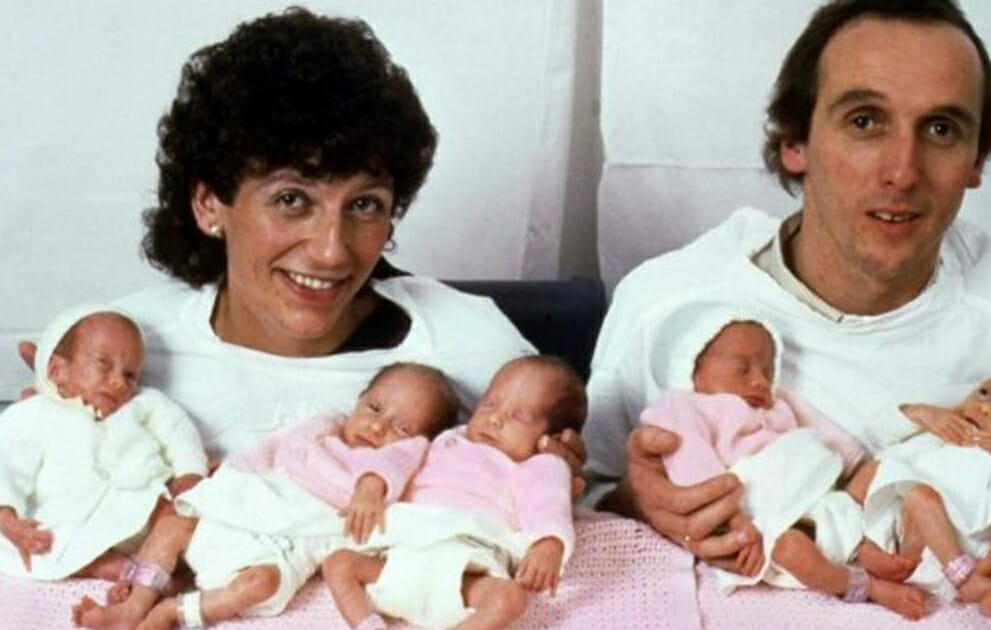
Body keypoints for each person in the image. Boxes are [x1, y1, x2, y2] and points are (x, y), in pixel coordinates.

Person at [583, 0, 991, 626]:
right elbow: (574, 504)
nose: (903, 172)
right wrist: (640, 500)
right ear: (795, 141)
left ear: (976, 162)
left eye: (941, 130)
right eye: (865, 121)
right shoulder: (670, 299)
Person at [17, 8, 581, 630]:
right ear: (209, 204)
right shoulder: (135, 348)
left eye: (364, 205)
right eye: (292, 199)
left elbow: (600, 495)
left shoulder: (467, 341)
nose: (332, 251)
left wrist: (598, 474)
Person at [639, 308, 925, 618]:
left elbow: (826, 434)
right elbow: (695, 468)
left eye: (767, 370)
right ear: (693, 370)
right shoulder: (683, 406)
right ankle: (864, 585)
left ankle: (868, 545)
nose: (760, 381)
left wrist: (853, 462)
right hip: (764, 510)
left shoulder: (780, 401)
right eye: (742, 369)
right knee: (792, 550)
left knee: (879, 470)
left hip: (817, 489)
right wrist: (737, 525)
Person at [131, 362, 459, 630]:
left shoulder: (394, 461)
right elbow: (269, 450)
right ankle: (135, 601)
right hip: (250, 506)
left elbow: (394, 465)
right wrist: (229, 473)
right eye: (374, 408)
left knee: (261, 584)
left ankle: (177, 611)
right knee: (173, 526)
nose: (377, 427)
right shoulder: (321, 428)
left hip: (289, 542)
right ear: (360, 398)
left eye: (401, 428)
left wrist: (371, 488)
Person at [321, 355, 585, 630]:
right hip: (399, 555)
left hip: (464, 567)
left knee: (510, 598)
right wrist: (371, 487)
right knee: (338, 563)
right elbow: (397, 459)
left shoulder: (537, 465)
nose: (495, 418)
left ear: (550, 438)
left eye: (518, 416)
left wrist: (550, 542)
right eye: (490, 404)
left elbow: (548, 501)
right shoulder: (445, 440)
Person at [0, 306, 206, 582]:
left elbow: (178, 430)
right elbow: (6, 463)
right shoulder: (34, 414)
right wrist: (9, 520)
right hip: (64, 518)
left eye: (130, 375)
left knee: (180, 517)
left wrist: (190, 472)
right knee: (36, 545)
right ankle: (103, 566)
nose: (119, 381)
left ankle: (168, 563)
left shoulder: (144, 403)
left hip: (138, 502)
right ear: (57, 370)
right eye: (103, 364)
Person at [846, 368, 991, 603]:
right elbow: (879, 434)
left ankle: (964, 577)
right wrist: (922, 414)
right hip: (902, 528)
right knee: (876, 478)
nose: (985, 408)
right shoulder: (940, 429)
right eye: (985, 393)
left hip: (959, 540)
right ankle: (868, 553)